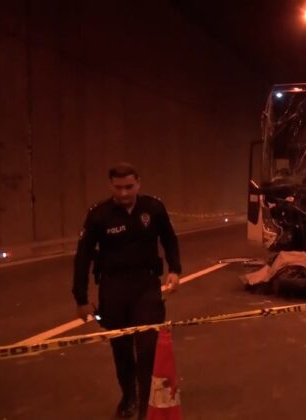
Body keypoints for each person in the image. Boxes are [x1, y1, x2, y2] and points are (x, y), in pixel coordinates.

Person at [72, 163, 181, 419]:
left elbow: (169, 239)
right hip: (113, 289)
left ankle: (145, 405)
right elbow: (83, 257)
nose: (123, 193)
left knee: (147, 349)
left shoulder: (153, 209)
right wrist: (81, 299)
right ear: (111, 186)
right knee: (121, 350)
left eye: (129, 187)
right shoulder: (99, 215)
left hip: (146, 287)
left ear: (138, 183)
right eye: (118, 187)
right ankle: (128, 397)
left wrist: (175, 269)